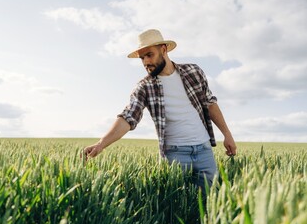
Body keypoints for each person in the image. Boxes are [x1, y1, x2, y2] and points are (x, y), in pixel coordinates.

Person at [83, 29, 236, 190]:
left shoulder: (193, 72)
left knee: (209, 202)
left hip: (204, 151)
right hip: (174, 156)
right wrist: (101, 144)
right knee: (176, 207)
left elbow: (210, 103)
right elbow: (128, 117)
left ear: (163, 50)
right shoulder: (144, 87)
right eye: (142, 58)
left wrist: (227, 135)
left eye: (149, 55)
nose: (145, 62)